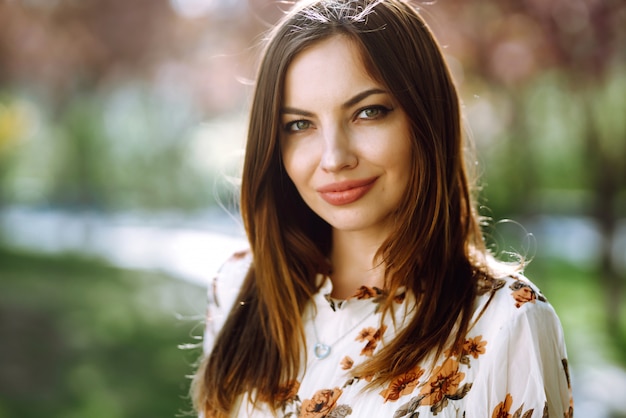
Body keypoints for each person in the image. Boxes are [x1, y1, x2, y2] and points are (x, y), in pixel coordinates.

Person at [191, 0, 574, 416]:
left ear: (426, 119)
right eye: (300, 124)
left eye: (368, 112)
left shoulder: (506, 321)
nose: (334, 158)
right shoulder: (238, 289)